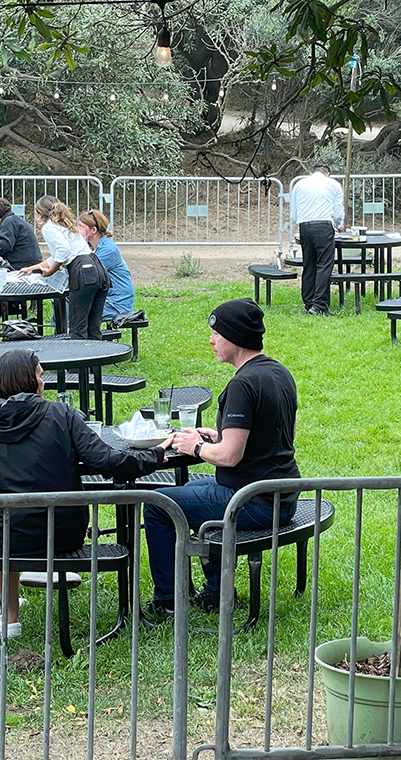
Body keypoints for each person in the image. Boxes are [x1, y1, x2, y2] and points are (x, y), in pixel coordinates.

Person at [0, 349, 160, 638]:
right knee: (1, 525)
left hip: (8, 540)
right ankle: (7, 614)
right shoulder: (61, 414)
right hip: (64, 534)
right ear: (27, 380)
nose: (43, 383)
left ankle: (9, 618)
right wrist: (157, 455)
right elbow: (108, 461)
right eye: (39, 376)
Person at [142, 298, 299, 619]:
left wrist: (195, 448)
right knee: (201, 489)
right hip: (283, 496)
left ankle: (169, 600)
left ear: (234, 337)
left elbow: (229, 457)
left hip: (253, 501)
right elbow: (278, 436)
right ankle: (215, 591)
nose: (211, 340)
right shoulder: (278, 373)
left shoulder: (242, 384)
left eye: (216, 333)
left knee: (158, 504)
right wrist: (218, 436)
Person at [21, 196, 109, 339]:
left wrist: (51, 271)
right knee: (93, 326)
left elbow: (63, 250)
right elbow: (58, 255)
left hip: (82, 272)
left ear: (39, 213)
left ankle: (78, 359)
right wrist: (33, 268)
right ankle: (95, 360)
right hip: (98, 269)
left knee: (78, 328)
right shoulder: (65, 225)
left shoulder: (48, 227)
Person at [289, 163, 344, 315]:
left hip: (305, 226)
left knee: (309, 264)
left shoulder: (299, 184)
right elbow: (338, 211)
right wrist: (339, 224)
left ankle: (308, 301)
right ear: (328, 173)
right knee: (324, 264)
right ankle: (319, 304)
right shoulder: (333, 184)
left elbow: (293, 213)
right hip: (323, 226)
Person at [78, 209, 135, 321]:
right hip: (105, 298)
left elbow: (83, 274)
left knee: (73, 306)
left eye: (81, 227)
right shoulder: (90, 247)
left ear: (93, 230)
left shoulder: (108, 250)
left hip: (116, 303)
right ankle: (64, 335)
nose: (77, 230)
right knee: (63, 302)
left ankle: (72, 336)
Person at [0, 196, 41, 270]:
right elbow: (4, 239)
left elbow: (5, 244)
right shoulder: (13, 220)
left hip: (22, 265)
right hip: (28, 262)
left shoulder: (8, 222)